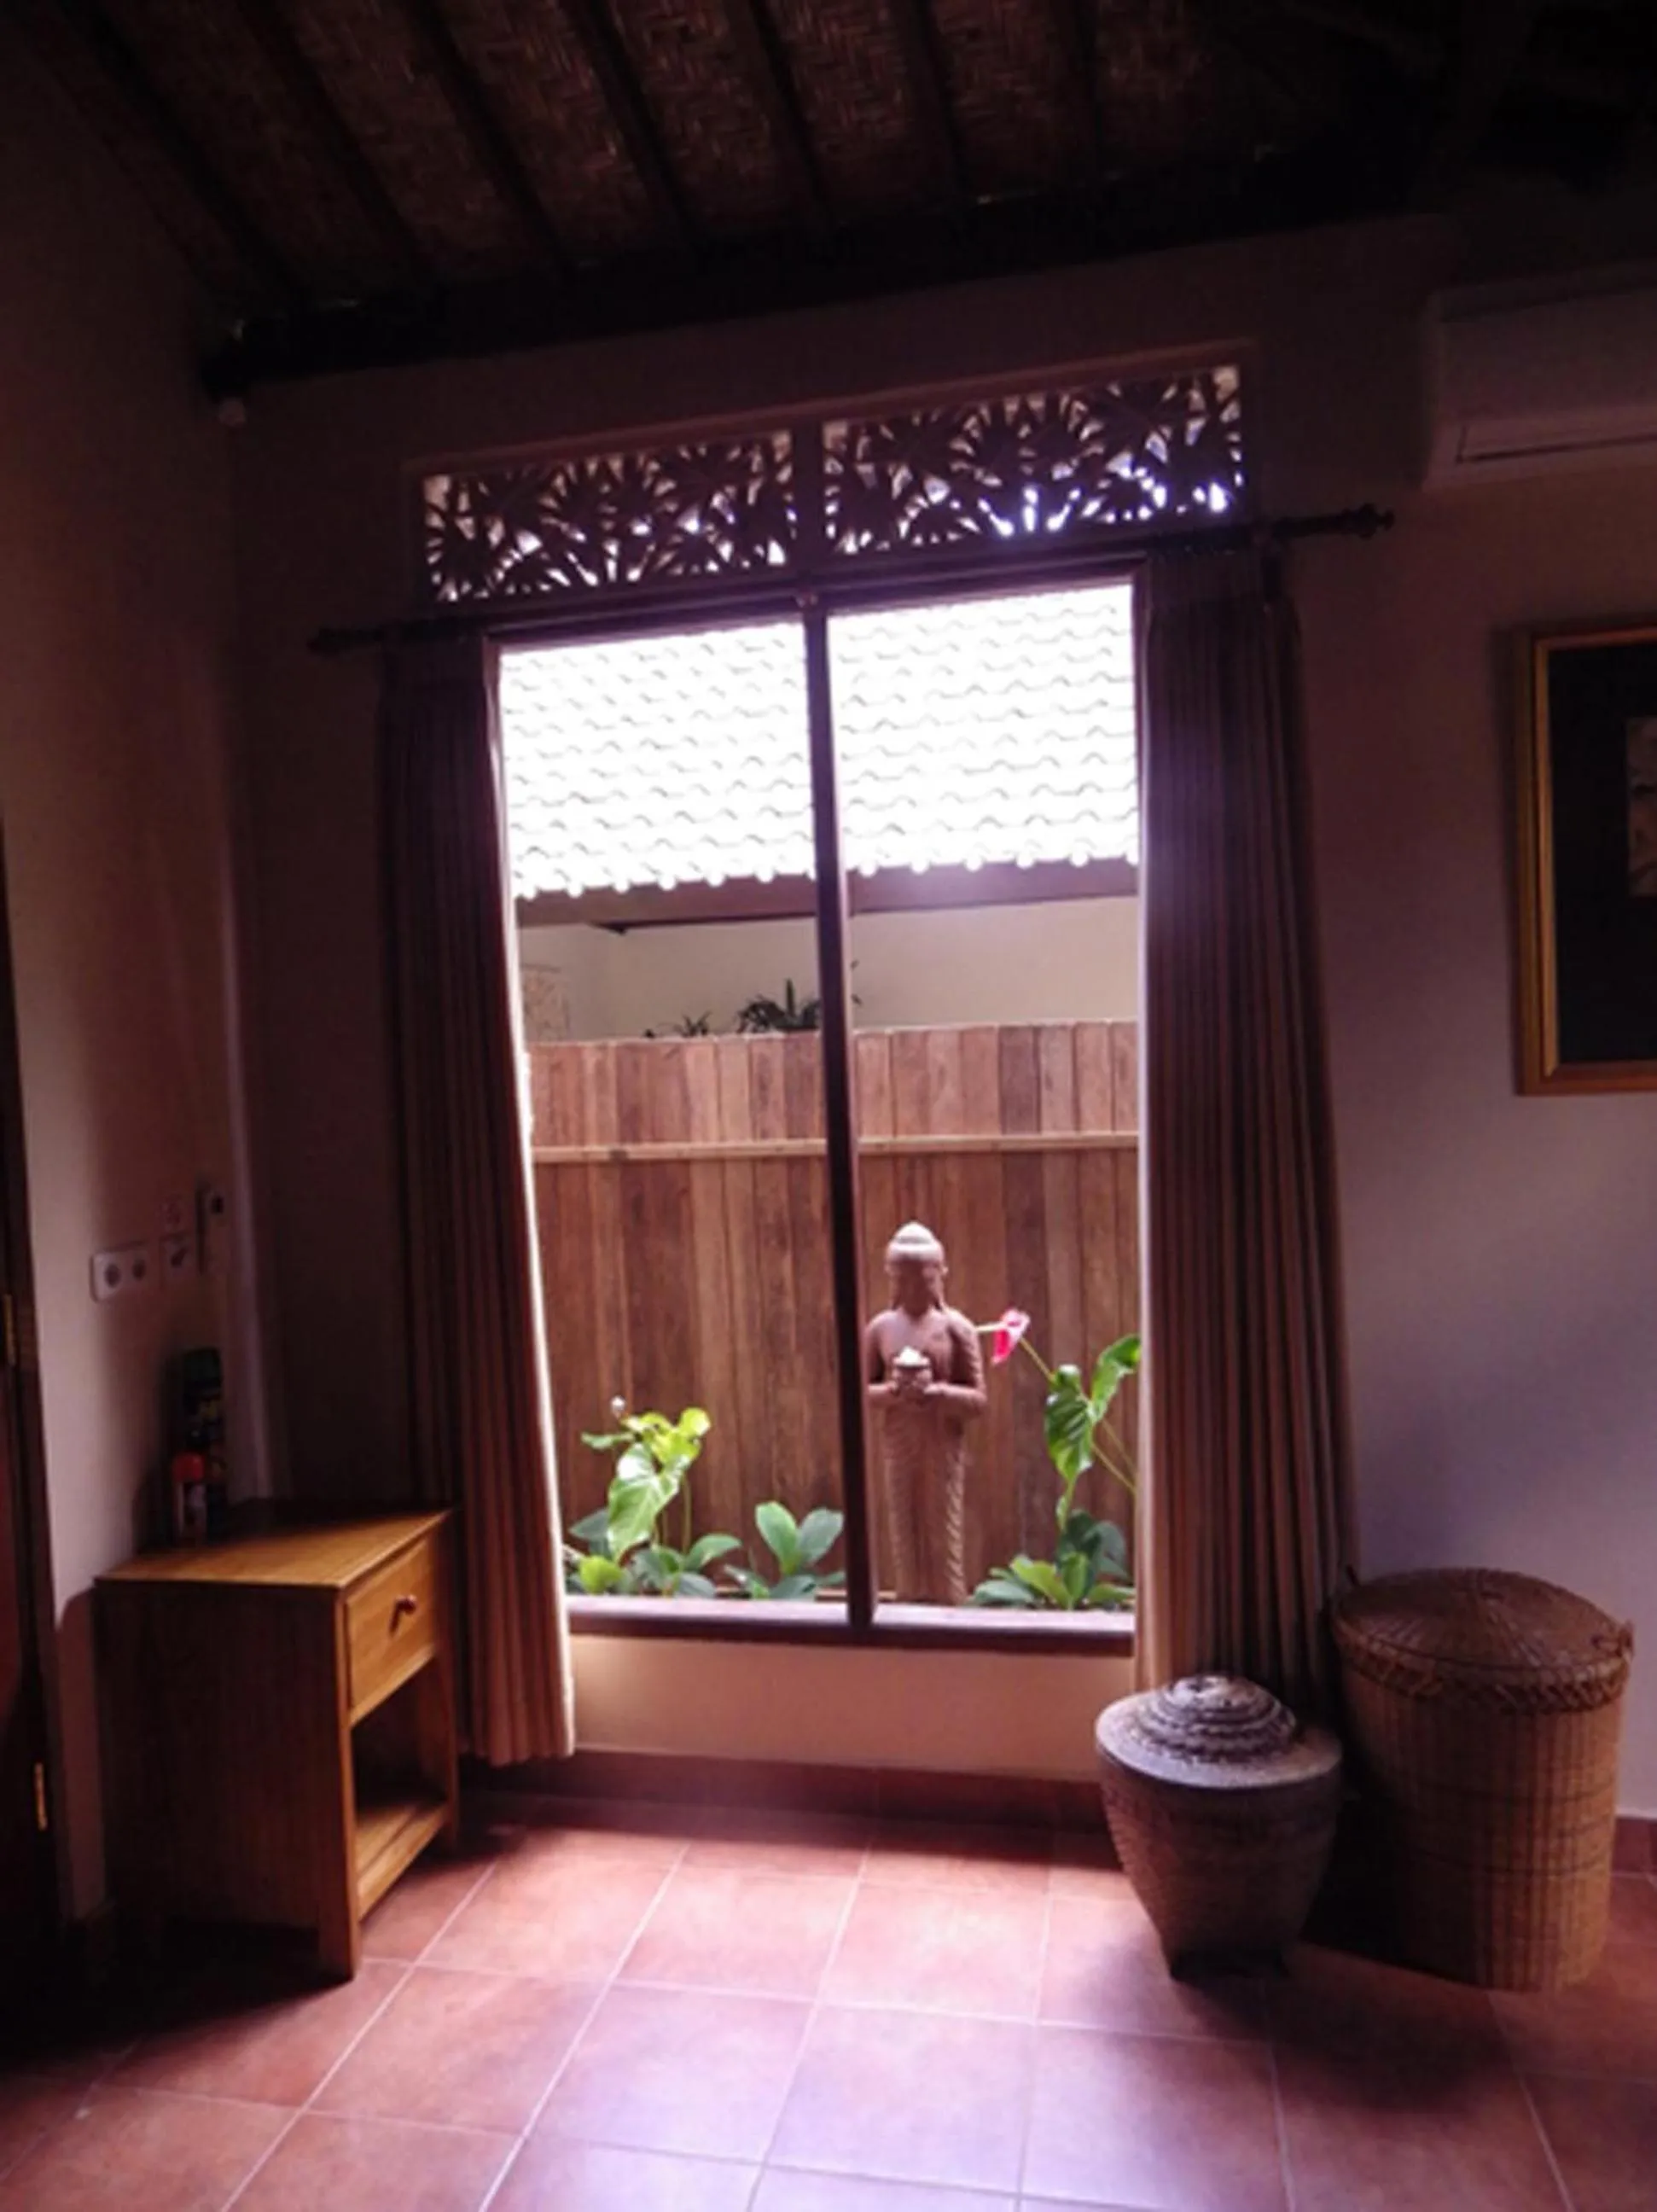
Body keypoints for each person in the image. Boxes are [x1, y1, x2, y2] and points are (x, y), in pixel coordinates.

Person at [863, 1220, 985, 1604]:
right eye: (905, 1280)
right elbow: (862, 1392)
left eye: (924, 1280)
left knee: (942, 1523)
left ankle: (950, 1602)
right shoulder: (880, 1329)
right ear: (893, 1280)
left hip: (941, 1440)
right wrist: (894, 1392)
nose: (915, 1289)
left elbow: (978, 1399)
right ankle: (908, 1598)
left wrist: (938, 1393)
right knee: (904, 1524)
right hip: (899, 1440)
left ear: (939, 1277)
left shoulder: (957, 1329)